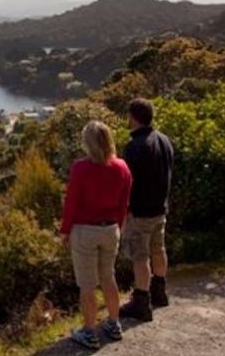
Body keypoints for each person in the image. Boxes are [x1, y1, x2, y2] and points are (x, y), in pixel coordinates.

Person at [60, 121, 132, 350]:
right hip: (111, 229)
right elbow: (124, 203)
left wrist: (65, 230)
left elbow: (72, 202)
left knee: (87, 284)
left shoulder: (80, 168)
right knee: (108, 277)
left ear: (87, 143)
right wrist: (118, 226)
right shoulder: (122, 167)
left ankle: (89, 332)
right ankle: (114, 323)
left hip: (85, 231)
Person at [119, 98, 174, 322]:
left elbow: (127, 183)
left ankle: (141, 303)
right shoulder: (165, 140)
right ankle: (159, 293)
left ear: (133, 117)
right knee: (158, 249)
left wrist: (125, 212)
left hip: (140, 211)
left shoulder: (135, 147)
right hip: (160, 208)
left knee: (140, 256)